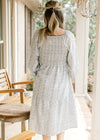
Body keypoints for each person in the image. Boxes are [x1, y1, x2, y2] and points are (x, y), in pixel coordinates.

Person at [28, 0, 79, 140]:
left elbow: (32, 65)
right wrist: (66, 74)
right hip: (62, 84)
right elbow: (73, 67)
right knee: (60, 118)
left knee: (46, 122)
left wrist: (42, 72)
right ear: (61, 16)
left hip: (43, 85)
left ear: (45, 15)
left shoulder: (38, 35)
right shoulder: (68, 36)